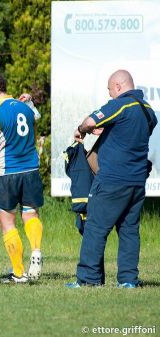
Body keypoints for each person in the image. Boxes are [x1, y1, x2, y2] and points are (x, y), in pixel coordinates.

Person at [68, 70, 157, 288]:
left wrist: (82, 130)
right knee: (129, 231)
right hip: (136, 182)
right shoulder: (148, 112)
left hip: (111, 181)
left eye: (110, 91)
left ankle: (88, 279)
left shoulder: (120, 105)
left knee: (95, 228)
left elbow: (89, 121)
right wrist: (107, 131)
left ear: (118, 87)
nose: (110, 95)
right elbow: (129, 134)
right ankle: (128, 280)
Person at [0, 72, 43, 283]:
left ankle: (19, 272)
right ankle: (36, 250)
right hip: (31, 169)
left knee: (7, 222)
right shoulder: (24, 107)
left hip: (8, 173)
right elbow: (34, 124)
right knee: (31, 214)